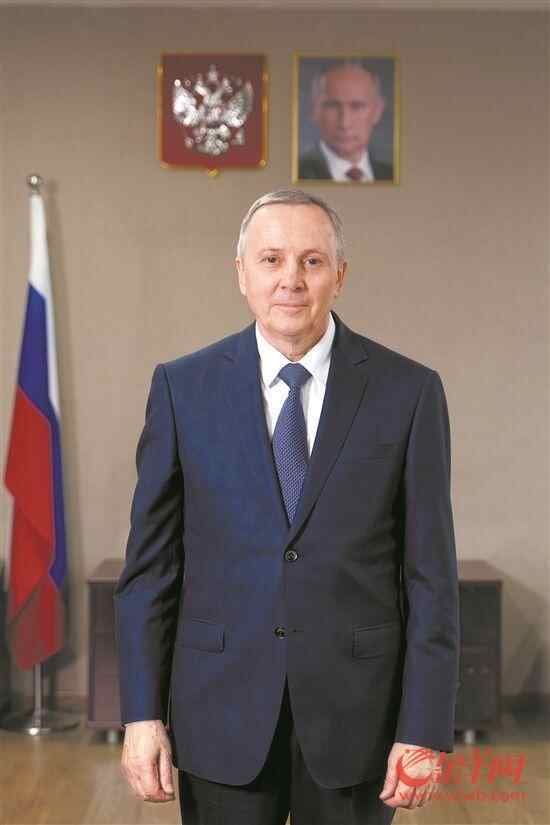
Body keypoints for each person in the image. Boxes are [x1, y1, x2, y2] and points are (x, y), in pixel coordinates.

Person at [114, 188, 460, 825]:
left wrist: (424, 727)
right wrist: (141, 714)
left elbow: (431, 576)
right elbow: (150, 570)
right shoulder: (182, 389)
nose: (290, 280)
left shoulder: (408, 392)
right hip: (218, 712)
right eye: (271, 259)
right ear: (241, 272)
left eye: (312, 261)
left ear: (340, 274)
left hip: (360, 718)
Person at [298, 62, 393, 182]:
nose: (345, 123)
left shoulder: (390, 175)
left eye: (357, 106)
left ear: (377, 111)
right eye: (332, 106)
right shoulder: (297, 174)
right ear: (314, 110)